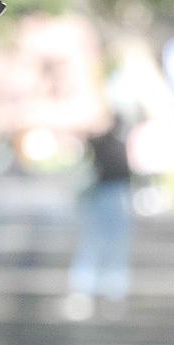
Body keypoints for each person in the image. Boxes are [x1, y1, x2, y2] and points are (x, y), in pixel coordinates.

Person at [64, 117, 134, 320]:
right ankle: (88, 292)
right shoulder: (106, 144)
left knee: (108, 246)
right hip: (106, 196)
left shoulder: (112, 145)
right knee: (99, 245)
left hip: (113, 196)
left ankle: (110, 293)